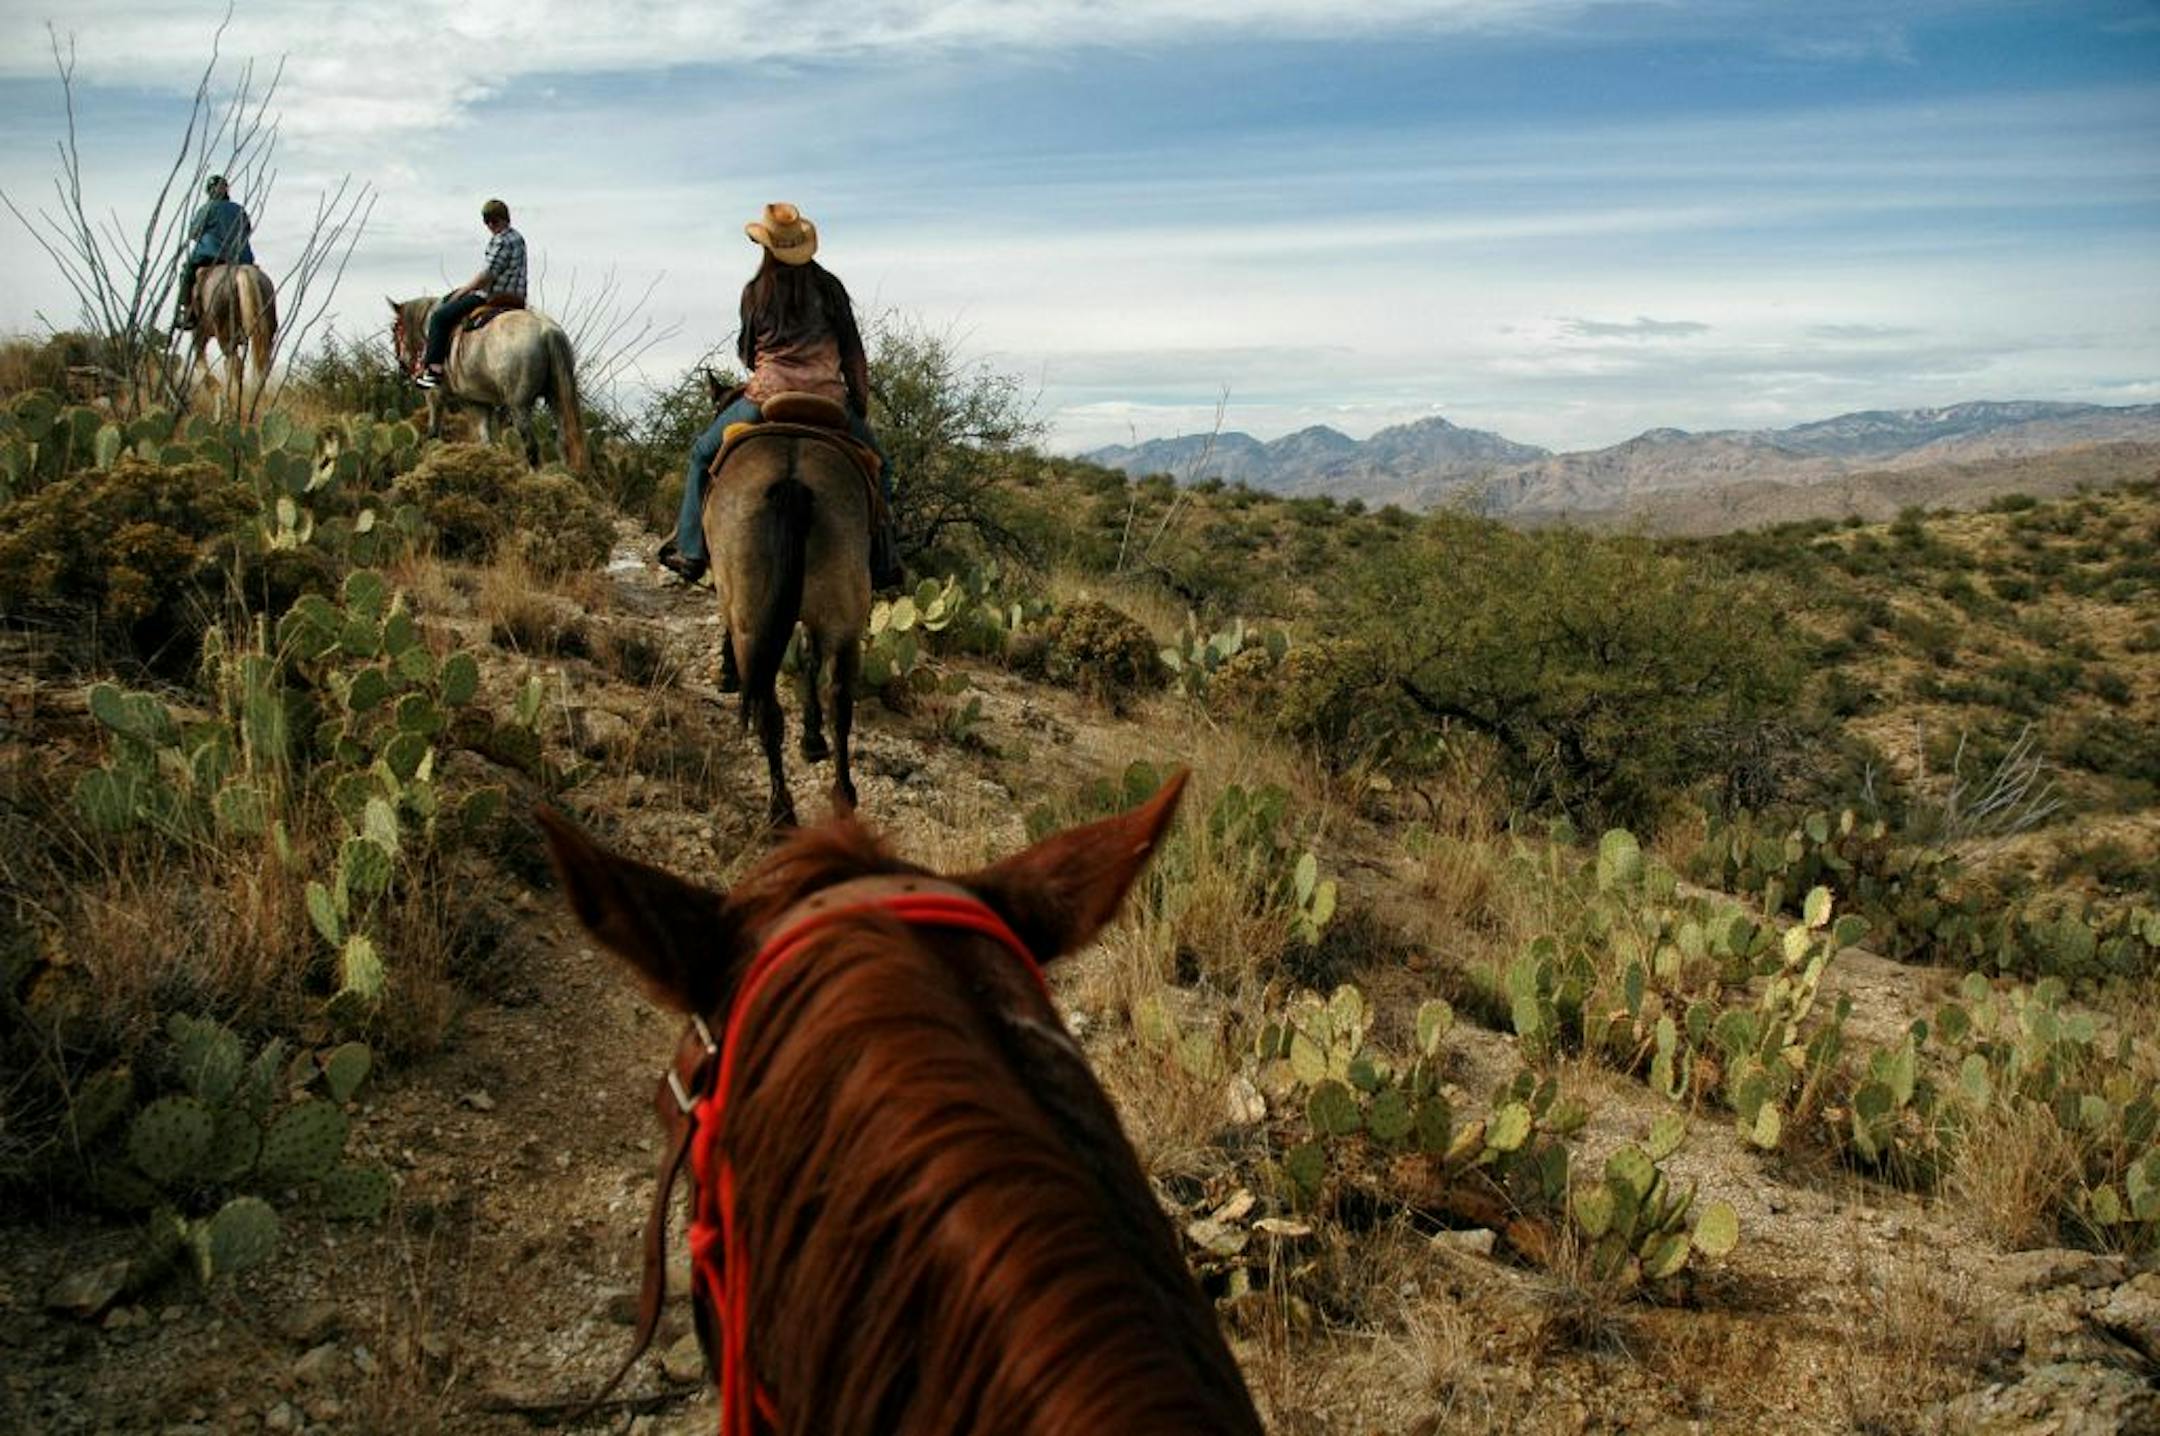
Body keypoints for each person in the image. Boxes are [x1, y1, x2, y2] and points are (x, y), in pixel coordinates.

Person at [659, 203, 901, 589]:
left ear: (767, 247)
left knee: (702, 454)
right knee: (881, 466)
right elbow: (854, 356)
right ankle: (885, 558)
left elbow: (747, 352)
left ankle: (690, 550)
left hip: (765, 399)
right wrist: (857, 406)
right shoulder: (831, 288)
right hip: (828, 400)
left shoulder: (756, 291)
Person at [414, 198, 527, 389]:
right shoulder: (519, 238)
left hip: (494, 297)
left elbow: (487, 275)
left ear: (504, 219)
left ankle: (434, 370)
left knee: (440, 317)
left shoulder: (501, 240)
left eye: (494, 221)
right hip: (518, 298)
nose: (490, 225)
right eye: (487, 221)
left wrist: (464, 290)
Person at [175, 175, 254, 331]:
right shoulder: (239, 209)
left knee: (186, 272)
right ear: (226, 190)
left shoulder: (207, 208)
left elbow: (193, 233)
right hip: (241, 258)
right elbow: (247, 229)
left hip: (211, 256)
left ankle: (186, 312)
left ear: (209, 191)